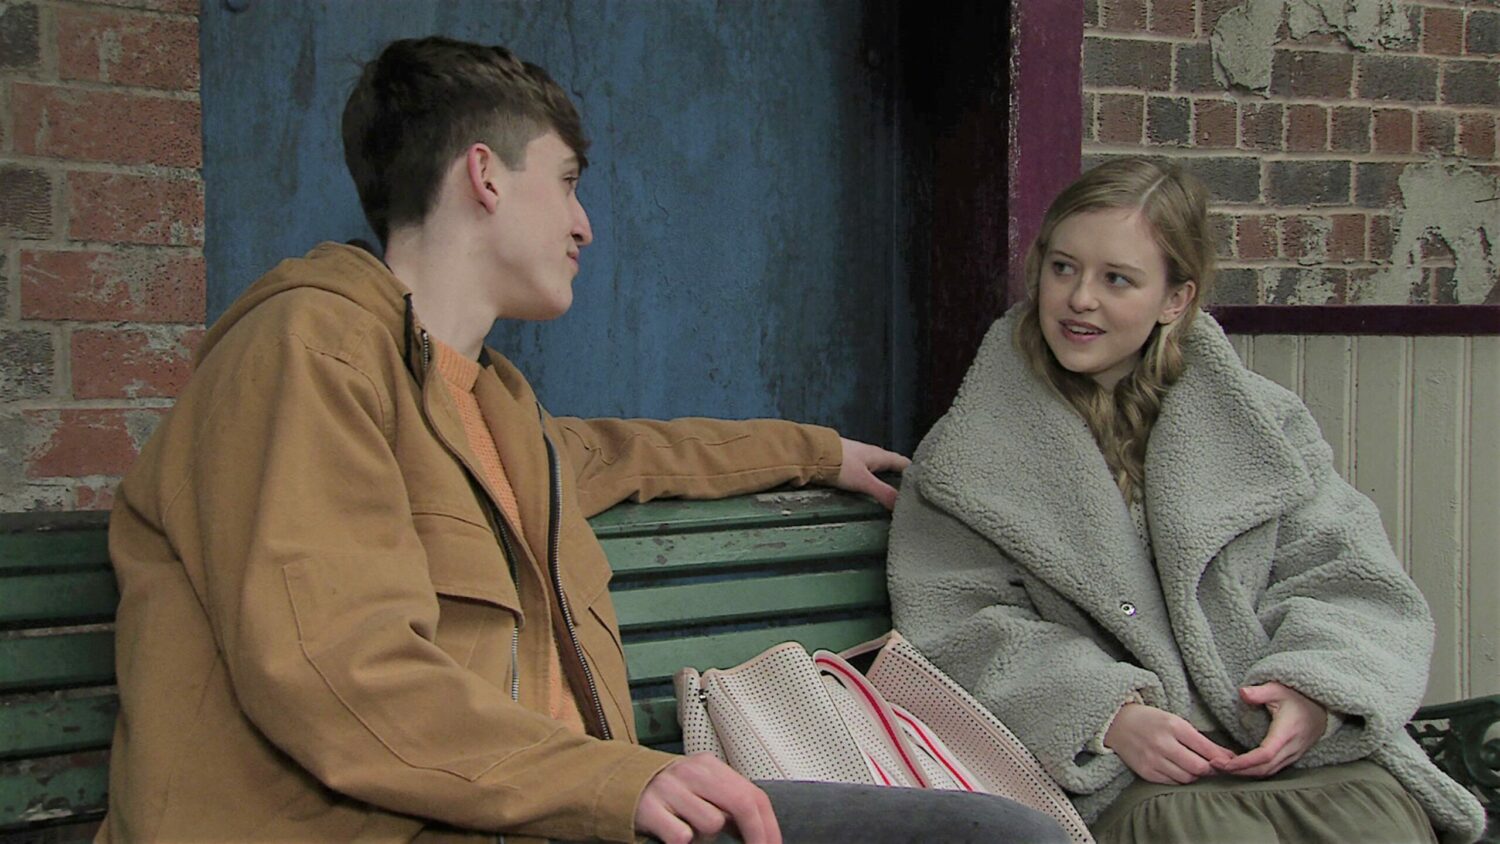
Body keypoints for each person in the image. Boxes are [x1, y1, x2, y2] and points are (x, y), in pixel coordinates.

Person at [100, 35, 1066, 844]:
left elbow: (628, 453)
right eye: (565, 183)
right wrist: (612, 784)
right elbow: (331, 673)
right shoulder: (305, 352)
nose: (585, 225)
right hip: (417, 821)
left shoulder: (493, 404)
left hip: (554, 815)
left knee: (998, 833)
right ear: (484, 173)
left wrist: (820, 454)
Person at [886, 157, 1487, 844]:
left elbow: (1349, 577)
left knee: (1374, 824)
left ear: (1175, 299)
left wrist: (1314, 692)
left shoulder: (1264, 427)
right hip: (1119, 778)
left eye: (1116, 279)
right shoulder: (968, 456)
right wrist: (1107, 715)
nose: (1080, 298)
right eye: (1063, 268)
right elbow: (956, 624)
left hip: (1292, 755)